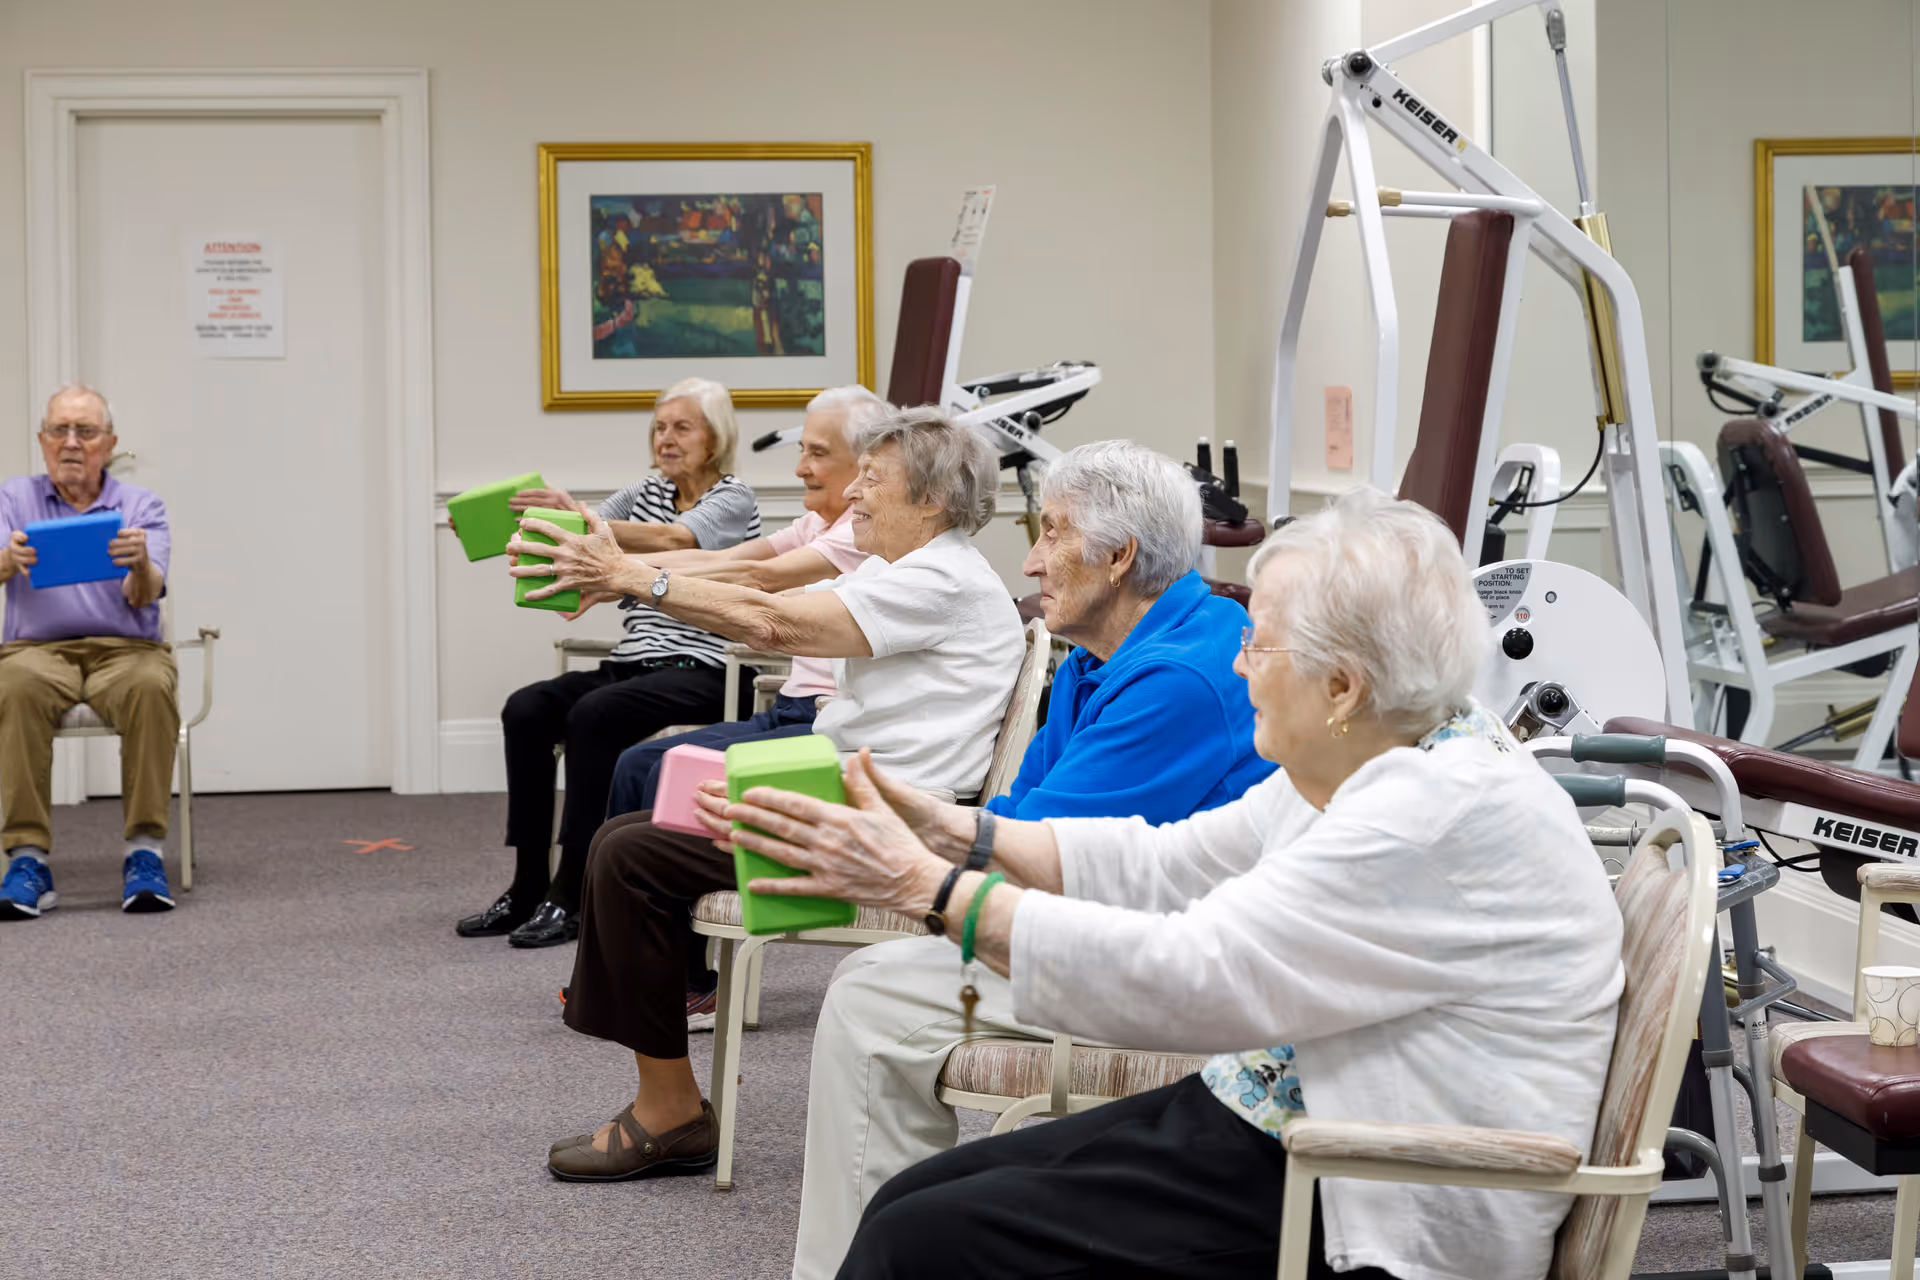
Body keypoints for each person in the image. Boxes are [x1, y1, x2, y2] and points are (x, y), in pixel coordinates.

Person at [705, 487, 1623, 1280]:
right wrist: (954, 829)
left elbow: (1190, 975)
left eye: (1259, 646)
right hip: (1287, 1116)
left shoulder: (1424, 813)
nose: (1237, 665)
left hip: (1363, 1187)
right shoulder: (1400, 740)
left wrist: (930, 891)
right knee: (916, 1196)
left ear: (1341, 686)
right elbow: (1172, 858)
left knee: (922, 1240)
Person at [787, 438, 1278, 1273]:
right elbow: (1021, 819)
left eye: (1051, 534)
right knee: (875, 986)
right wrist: (933, 839)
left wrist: (906, 865)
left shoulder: (1179, 679)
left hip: (1168, 959)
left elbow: (1045, 857)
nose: (1032, 559)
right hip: (1119, 915)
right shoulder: (1107, 655)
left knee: (874, 1001)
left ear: (1118, 557)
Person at [511, 407, 1025, 1180]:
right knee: (633, 831)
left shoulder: (938, 579)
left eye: (871, 483)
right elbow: (751, 581)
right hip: (847, 794)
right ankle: (669, 1101)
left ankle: (671, 1113)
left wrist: (630, 576)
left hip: (886, 827)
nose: (852, 497)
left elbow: (773, 624)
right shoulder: (903, 568)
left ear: (930, 501)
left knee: (630, 857)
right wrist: (618, 561)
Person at [454, 377, 759, 949]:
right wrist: (501, 526)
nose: (665, 439)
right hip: (635, 662)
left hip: (707, 667)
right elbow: (579, 533)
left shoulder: (732, 497)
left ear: (715, 438)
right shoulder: (642, 488)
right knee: (527, 709)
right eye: (659, 428)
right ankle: (527, 884)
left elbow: (674, 538)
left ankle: (572, 893)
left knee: (593, 715)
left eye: (681, 427)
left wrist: (578, 514)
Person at [601, 385, 889, 819]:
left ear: (866, 465)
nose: (799, 468)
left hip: (823, 720)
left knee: (658, 770)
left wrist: (624, 577)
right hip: (789, 707)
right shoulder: (819, 521)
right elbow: (723, 558)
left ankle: (643, 873)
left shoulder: (860, 532)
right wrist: (612, 572)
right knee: (635, 764)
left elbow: (755, 577)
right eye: (802, 451)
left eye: (816, 453)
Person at [0, 384, 177, 919]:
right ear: (42, 439)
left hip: (124, 649)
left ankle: (144, 851)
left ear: (110, 442)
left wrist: (140, 565)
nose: (71, 443)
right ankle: (27, 859)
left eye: (86, 431)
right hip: (35, 650)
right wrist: (6, 559)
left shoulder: (141, 506)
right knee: (14, 687)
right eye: (60, 430)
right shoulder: (13, 498)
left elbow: (148, 593)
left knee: (151, 685)